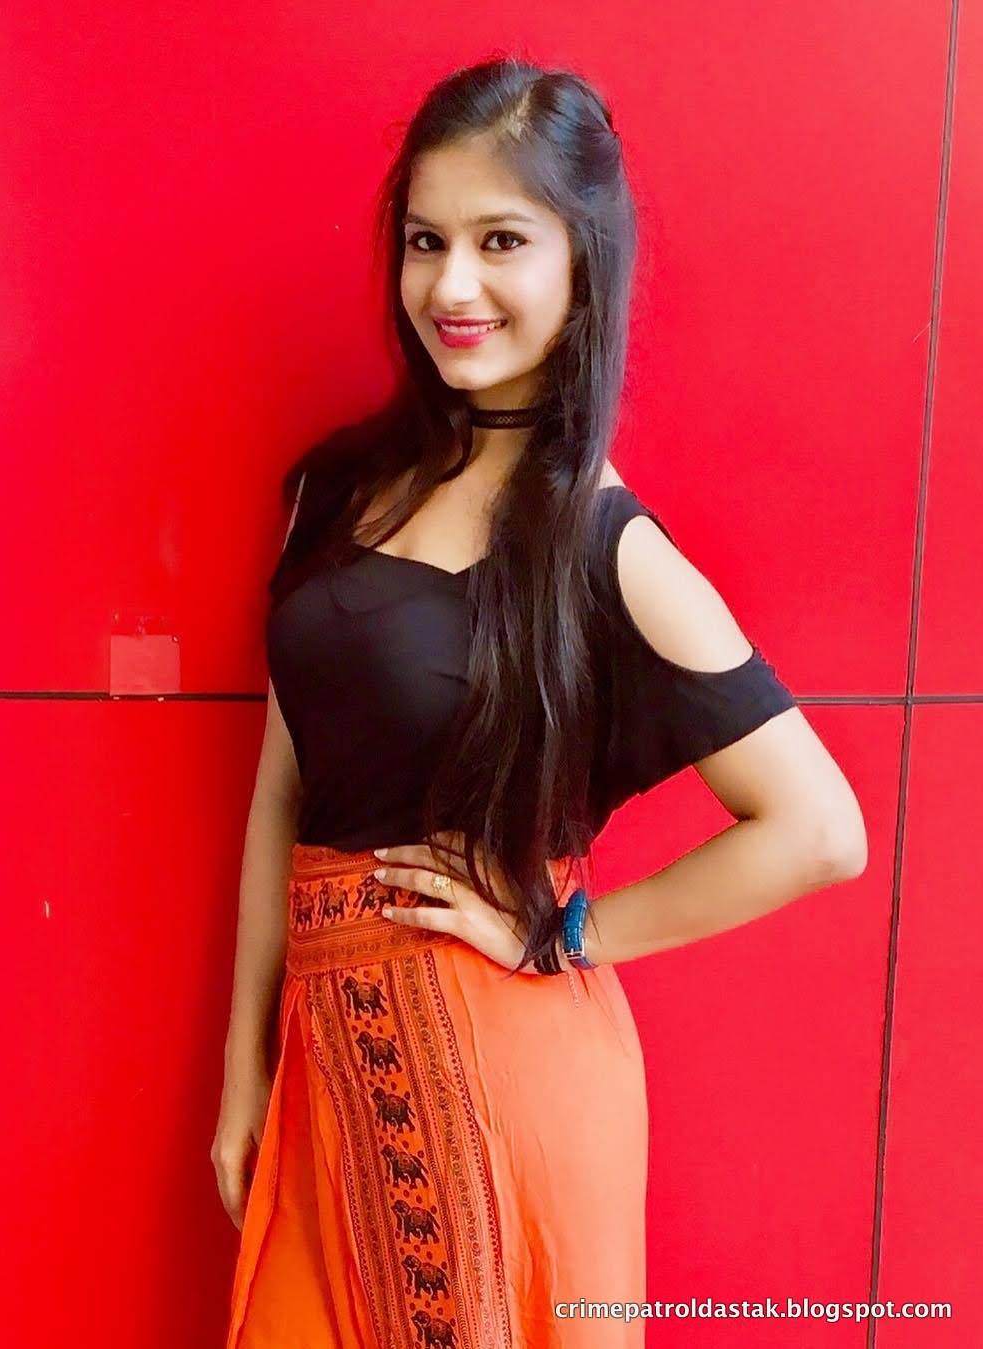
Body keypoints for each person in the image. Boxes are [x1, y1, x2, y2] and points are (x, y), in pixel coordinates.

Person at [213, 57, 867, 1349]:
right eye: (426, 241)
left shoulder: (601, 542)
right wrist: (245, 1064)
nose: (452, 286)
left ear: (583, 262)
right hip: (330, 1057)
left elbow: (820, 829)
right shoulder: (337, 490)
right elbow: (283, 783)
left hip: (505, 1077)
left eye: (501, 241)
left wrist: (568, 933)